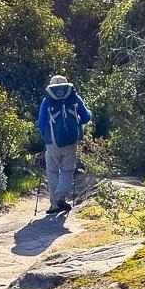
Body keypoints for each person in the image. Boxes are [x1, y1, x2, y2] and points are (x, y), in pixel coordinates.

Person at [36, 74, 90, 215]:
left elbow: (40, 123)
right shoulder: (74, 98)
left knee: (52, 171)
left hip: (52, 143)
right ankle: (61, 197)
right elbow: (86, 117)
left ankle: (55, 204)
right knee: (67, 170)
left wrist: (46, 136)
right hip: (71, 141)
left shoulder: (47, 101)